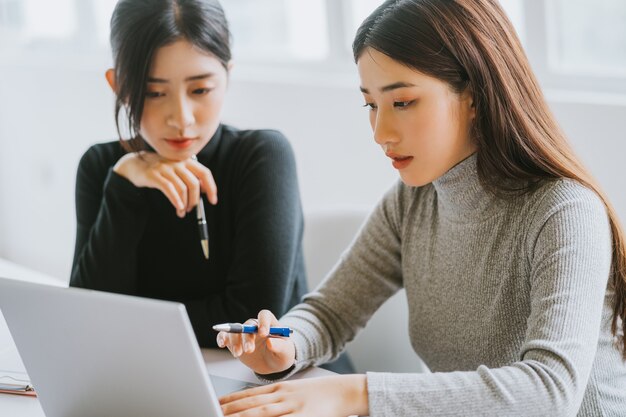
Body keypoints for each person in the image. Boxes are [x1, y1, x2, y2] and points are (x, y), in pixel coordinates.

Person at [216, 0, 626, 415]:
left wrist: (355, 394)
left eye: (403, 102)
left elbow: (550, 393)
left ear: (475, 96)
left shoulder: (565, 212)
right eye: (371, 105)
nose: (380, 132)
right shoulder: (413, 200)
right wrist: (286, 345)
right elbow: (330, 312)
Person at [69, 0, 308, 349]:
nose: (181, 118)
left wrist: (123, 324)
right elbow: (84, 318)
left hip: (274, 384)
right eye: (154, 92)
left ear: (227, 75)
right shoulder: (103, 168)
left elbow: (250, 319)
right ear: (118, 85)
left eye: (200, 90)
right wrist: (123, 188)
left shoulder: (261, 157)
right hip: (149, 378)